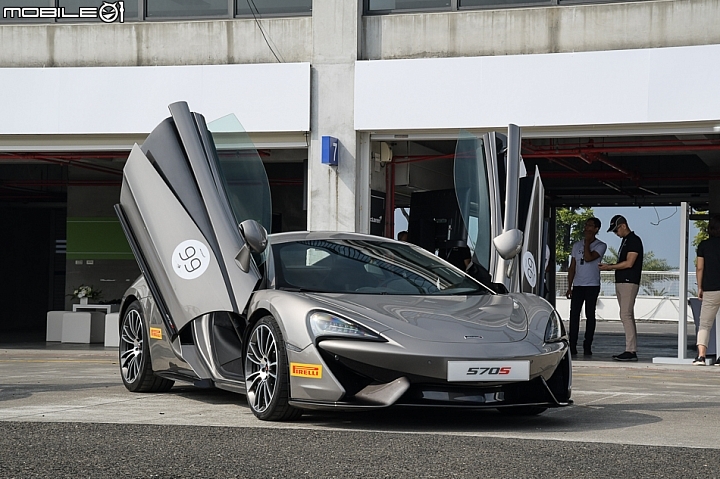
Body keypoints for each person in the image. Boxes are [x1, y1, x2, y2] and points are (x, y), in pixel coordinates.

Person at [599, 215, 644, 362]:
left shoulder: (633, 241)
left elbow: (629, 263)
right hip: (622, 281)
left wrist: (609, 267)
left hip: (628, 281)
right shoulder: (626, 241)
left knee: (625, 314)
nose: (616, 234)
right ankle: (630, 349)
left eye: (616, 230)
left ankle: (630, 350)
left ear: (623, 226)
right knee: (626, 314)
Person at [565, 217, 607, 357]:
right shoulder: (577, 245)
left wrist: (588, 243)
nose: (587, 228)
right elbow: (572, 267)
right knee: (574, 314)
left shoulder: (601, 245)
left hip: (592, 285)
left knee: (590, 315)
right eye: (586, 225)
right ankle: (572, 344)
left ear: (596, 229)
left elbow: (589, 258)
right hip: (578, 284)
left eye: (590, 226)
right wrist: (569, 286)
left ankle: (587, 344)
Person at [692, 214, 720, 366]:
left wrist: (700, 287)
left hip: (710, 289)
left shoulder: (704, 245)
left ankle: (701, 356)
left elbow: (700, 267)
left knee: (705, 324)